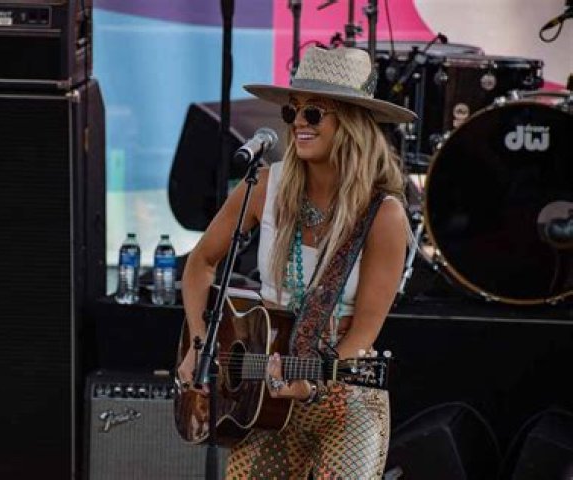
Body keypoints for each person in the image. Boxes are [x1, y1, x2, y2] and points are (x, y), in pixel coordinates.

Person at [177, 46, 416, 479]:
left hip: (344, 397)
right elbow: (201, 263)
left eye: (314, 113)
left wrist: (311, 382)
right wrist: (199, 346)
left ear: (351, 122)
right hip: (260, 398)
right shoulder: (264, 187)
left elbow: (365, 332)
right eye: (293, 112)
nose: (299, 123)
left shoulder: (383, 214)